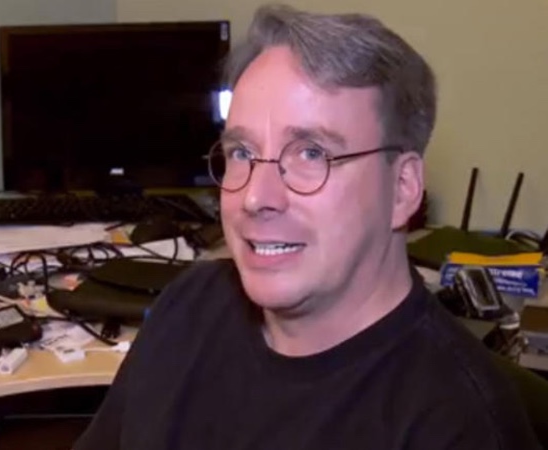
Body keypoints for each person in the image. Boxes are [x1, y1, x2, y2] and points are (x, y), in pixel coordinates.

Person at [74, 4, 541, 449]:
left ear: (402, 189)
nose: (256, 197)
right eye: (242, 153)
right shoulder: (188, 307)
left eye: (312, 153)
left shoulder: (458, 425)